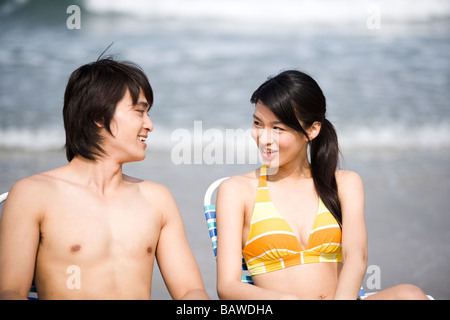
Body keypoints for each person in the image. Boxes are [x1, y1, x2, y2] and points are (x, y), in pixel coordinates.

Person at [0, 57, 209, 300]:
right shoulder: (33, 195)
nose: (149, 125)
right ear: (98, 116)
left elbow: (189, 291)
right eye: (140, 112)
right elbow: (10, 291)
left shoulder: (157, 198)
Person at [216, 70, 428, 300]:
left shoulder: (344, 184)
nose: (265, 138)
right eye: (258, 124)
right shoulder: (236, 191)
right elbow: (227, 286)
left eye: (277, 128)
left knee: (410, 294)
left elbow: (356, 258)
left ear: (312, 130)